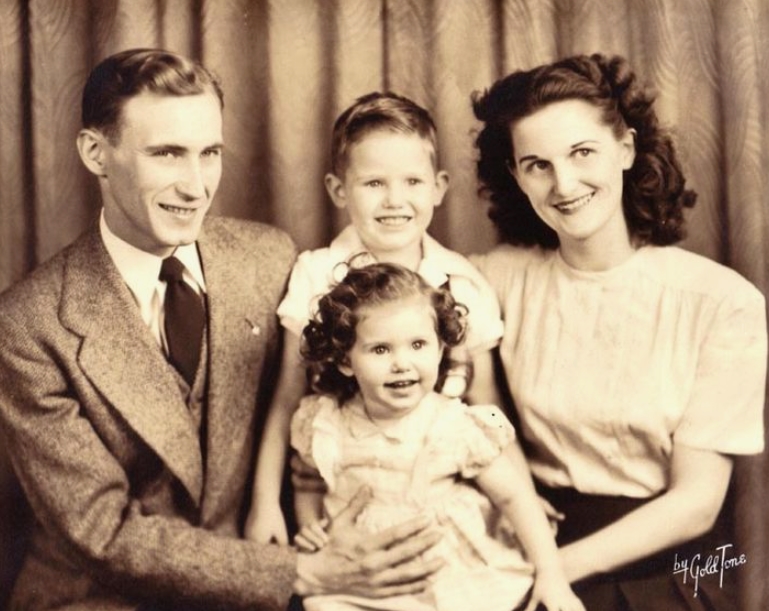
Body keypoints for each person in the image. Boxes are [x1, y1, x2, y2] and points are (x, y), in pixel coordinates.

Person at [0, 48, 445, 611]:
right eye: (166, 154)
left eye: (209, 153)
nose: (196, 186)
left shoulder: (268, 257)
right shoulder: (29, 324)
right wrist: (303, 572)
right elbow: (100, 530)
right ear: (96, 153)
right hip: (102, 597)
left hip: (271, 576)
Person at [470, 53, 767, 610]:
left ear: (626, 149)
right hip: (533, 540)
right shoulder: (494, 280)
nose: (564, 184)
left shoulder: (721, 303)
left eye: (583, 152)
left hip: (666, 572)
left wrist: (547, 571)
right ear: (515, 175)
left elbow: (696, 503)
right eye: (537, 164)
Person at [246, 92, 504, 546]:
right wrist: (265, 503)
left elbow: (485, 402)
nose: (394, 200)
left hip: (439, 501)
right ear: (338, 190)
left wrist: (519, 496)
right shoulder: (316, 274)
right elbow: (286, 397)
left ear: (439, 187)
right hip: (340, 502)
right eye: (373, 183)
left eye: (412, 181)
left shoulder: (463, 283)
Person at [288, 262, 584, 611]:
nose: (402, 363)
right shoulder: (324, 423)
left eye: (418, 344)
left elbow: (514, 497)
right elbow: (308, 483)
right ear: (345, 361)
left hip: (444, 572)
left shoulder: (453, 425)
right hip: (358, 574)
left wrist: (551, 573)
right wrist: (314, 528)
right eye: (381, 349)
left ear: (441, 349)